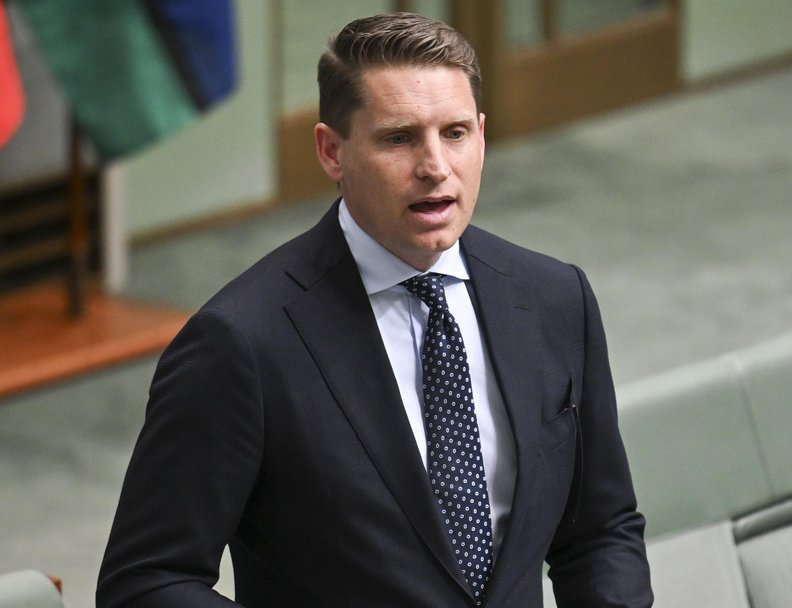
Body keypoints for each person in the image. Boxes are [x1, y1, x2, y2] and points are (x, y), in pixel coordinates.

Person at [97, 12, 653, 608]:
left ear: (483, 137)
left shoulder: (554, 297)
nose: (436, 166)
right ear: (331, 151)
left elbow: (598, 532)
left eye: (456, 133)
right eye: (399, 138)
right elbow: (146, 583)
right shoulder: (240, 344)